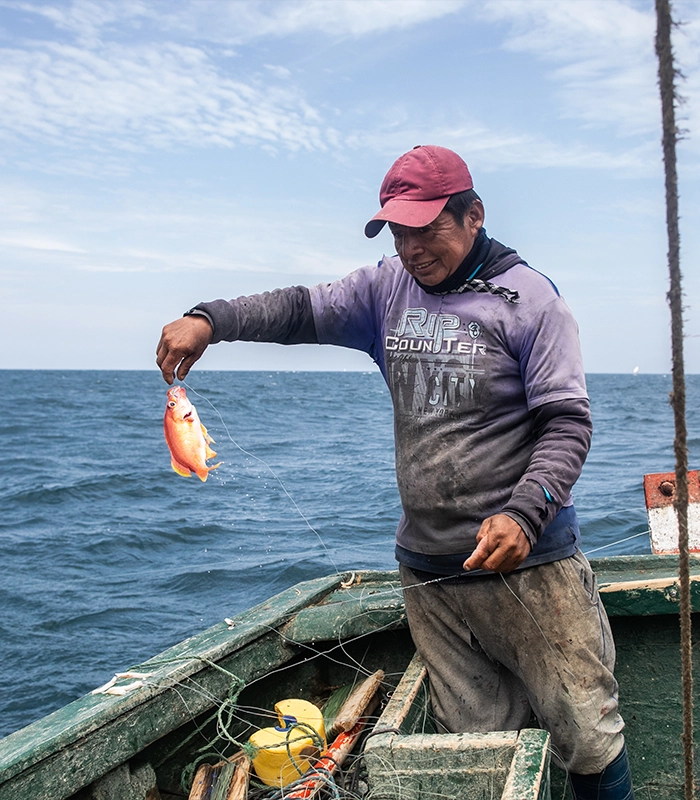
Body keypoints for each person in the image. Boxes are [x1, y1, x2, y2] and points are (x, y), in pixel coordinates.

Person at [156, 145, 634, 800]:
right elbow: (297, 308)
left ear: (473, 215)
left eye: (426, 229)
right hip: (431, 574)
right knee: (473, 749)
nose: (410, 248)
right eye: (398, 233)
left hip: (532, 568)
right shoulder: (385, 289)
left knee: (586, 736)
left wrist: (525, 514)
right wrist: (210, 319)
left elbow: (567, 424)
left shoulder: (531, 301)